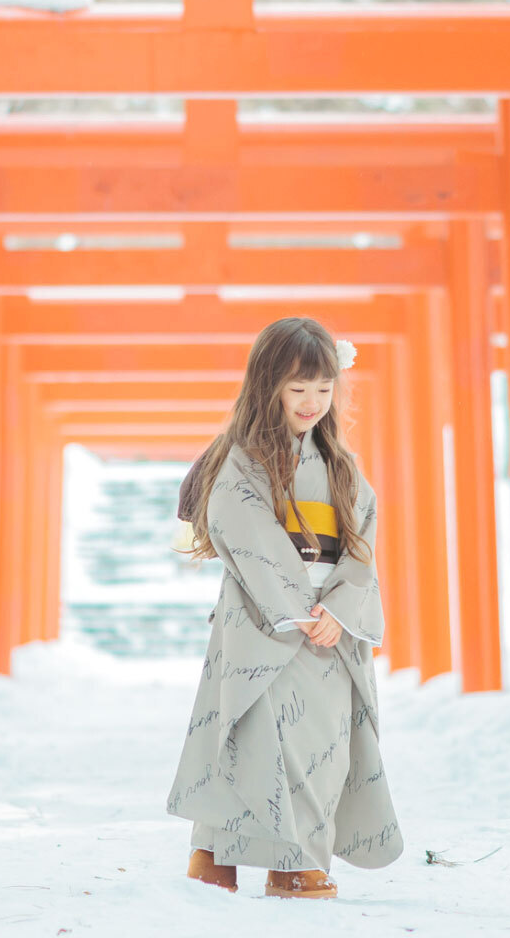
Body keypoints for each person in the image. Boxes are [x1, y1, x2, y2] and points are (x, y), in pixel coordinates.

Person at [165, 317, 404, 900]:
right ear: (267, 384)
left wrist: (339, 611)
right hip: (262, 615)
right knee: (259, 733)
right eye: (298, 389)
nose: (312, 403)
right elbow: (245, 531)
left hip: (328, 623)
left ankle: (257, 856)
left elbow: (361, 548)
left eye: (324, 390)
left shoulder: (342, 467)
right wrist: (298, 609)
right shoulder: (241, 460)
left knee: (320, 744)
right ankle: (250, 857)